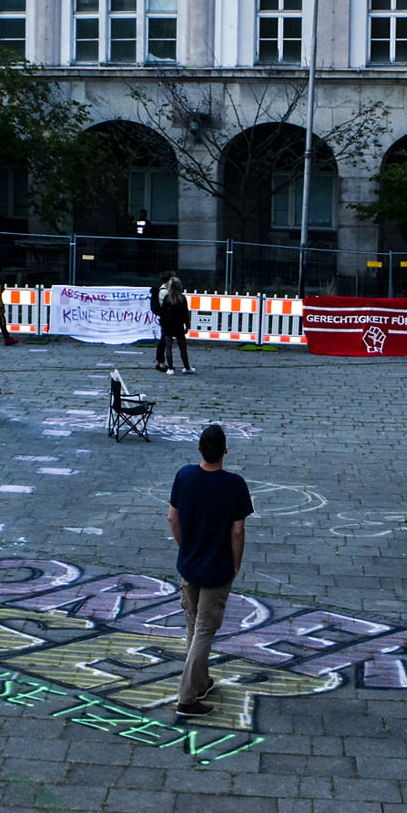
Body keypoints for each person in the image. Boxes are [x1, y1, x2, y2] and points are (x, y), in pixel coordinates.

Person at [167, 424, 252, 718]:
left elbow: (172, 517)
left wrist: (184, 546)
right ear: (225, 451)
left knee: (193, 626)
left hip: (189, 565)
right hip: (217, 569)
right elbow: (237, 531)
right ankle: (187, 698)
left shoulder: (185, 476)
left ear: (200, 448)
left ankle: (200, 682)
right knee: (205, 630)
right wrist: (236, 563)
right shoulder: (234, 485)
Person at [152, 274, 193, 375]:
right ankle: (187, 367)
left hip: (168, 325)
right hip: (178, 325)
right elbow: (185, 313)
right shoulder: (182, 299)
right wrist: (187, 325)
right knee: (182, 347)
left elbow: (163, 313)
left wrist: (162, 324)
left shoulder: (167, 298)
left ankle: (170, 368)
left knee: (168, 347)